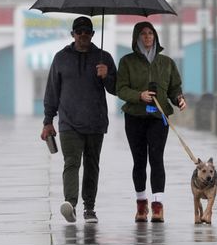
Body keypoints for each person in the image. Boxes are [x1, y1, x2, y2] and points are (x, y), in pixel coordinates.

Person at [41, 16, 117, 224]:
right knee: (72, 163)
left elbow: (116, 88)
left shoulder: (104, 58)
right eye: (79, 31)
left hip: (96, 121)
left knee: (92, 165)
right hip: (69, 123)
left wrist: (106, 76)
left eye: (87, 31)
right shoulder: (61, 58)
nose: (83, 35)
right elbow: (52, 91)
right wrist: (48, 121)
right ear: (72, 34)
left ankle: (89, 208)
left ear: (93, 34)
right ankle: (70, 204)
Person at [116, 21, 187, 223]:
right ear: (136, 38)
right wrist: (140, 95)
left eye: (150, 33)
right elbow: (121, 89)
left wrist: (179, 98)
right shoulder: (126, 62)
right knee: (139, 161)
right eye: (143, 34)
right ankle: (141, 204)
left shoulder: (166, 63)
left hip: (159, 117)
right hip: (134, 117)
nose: (147, 37)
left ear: (155, 36)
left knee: (156, 159)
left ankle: (157, 206)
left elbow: (174, 87)